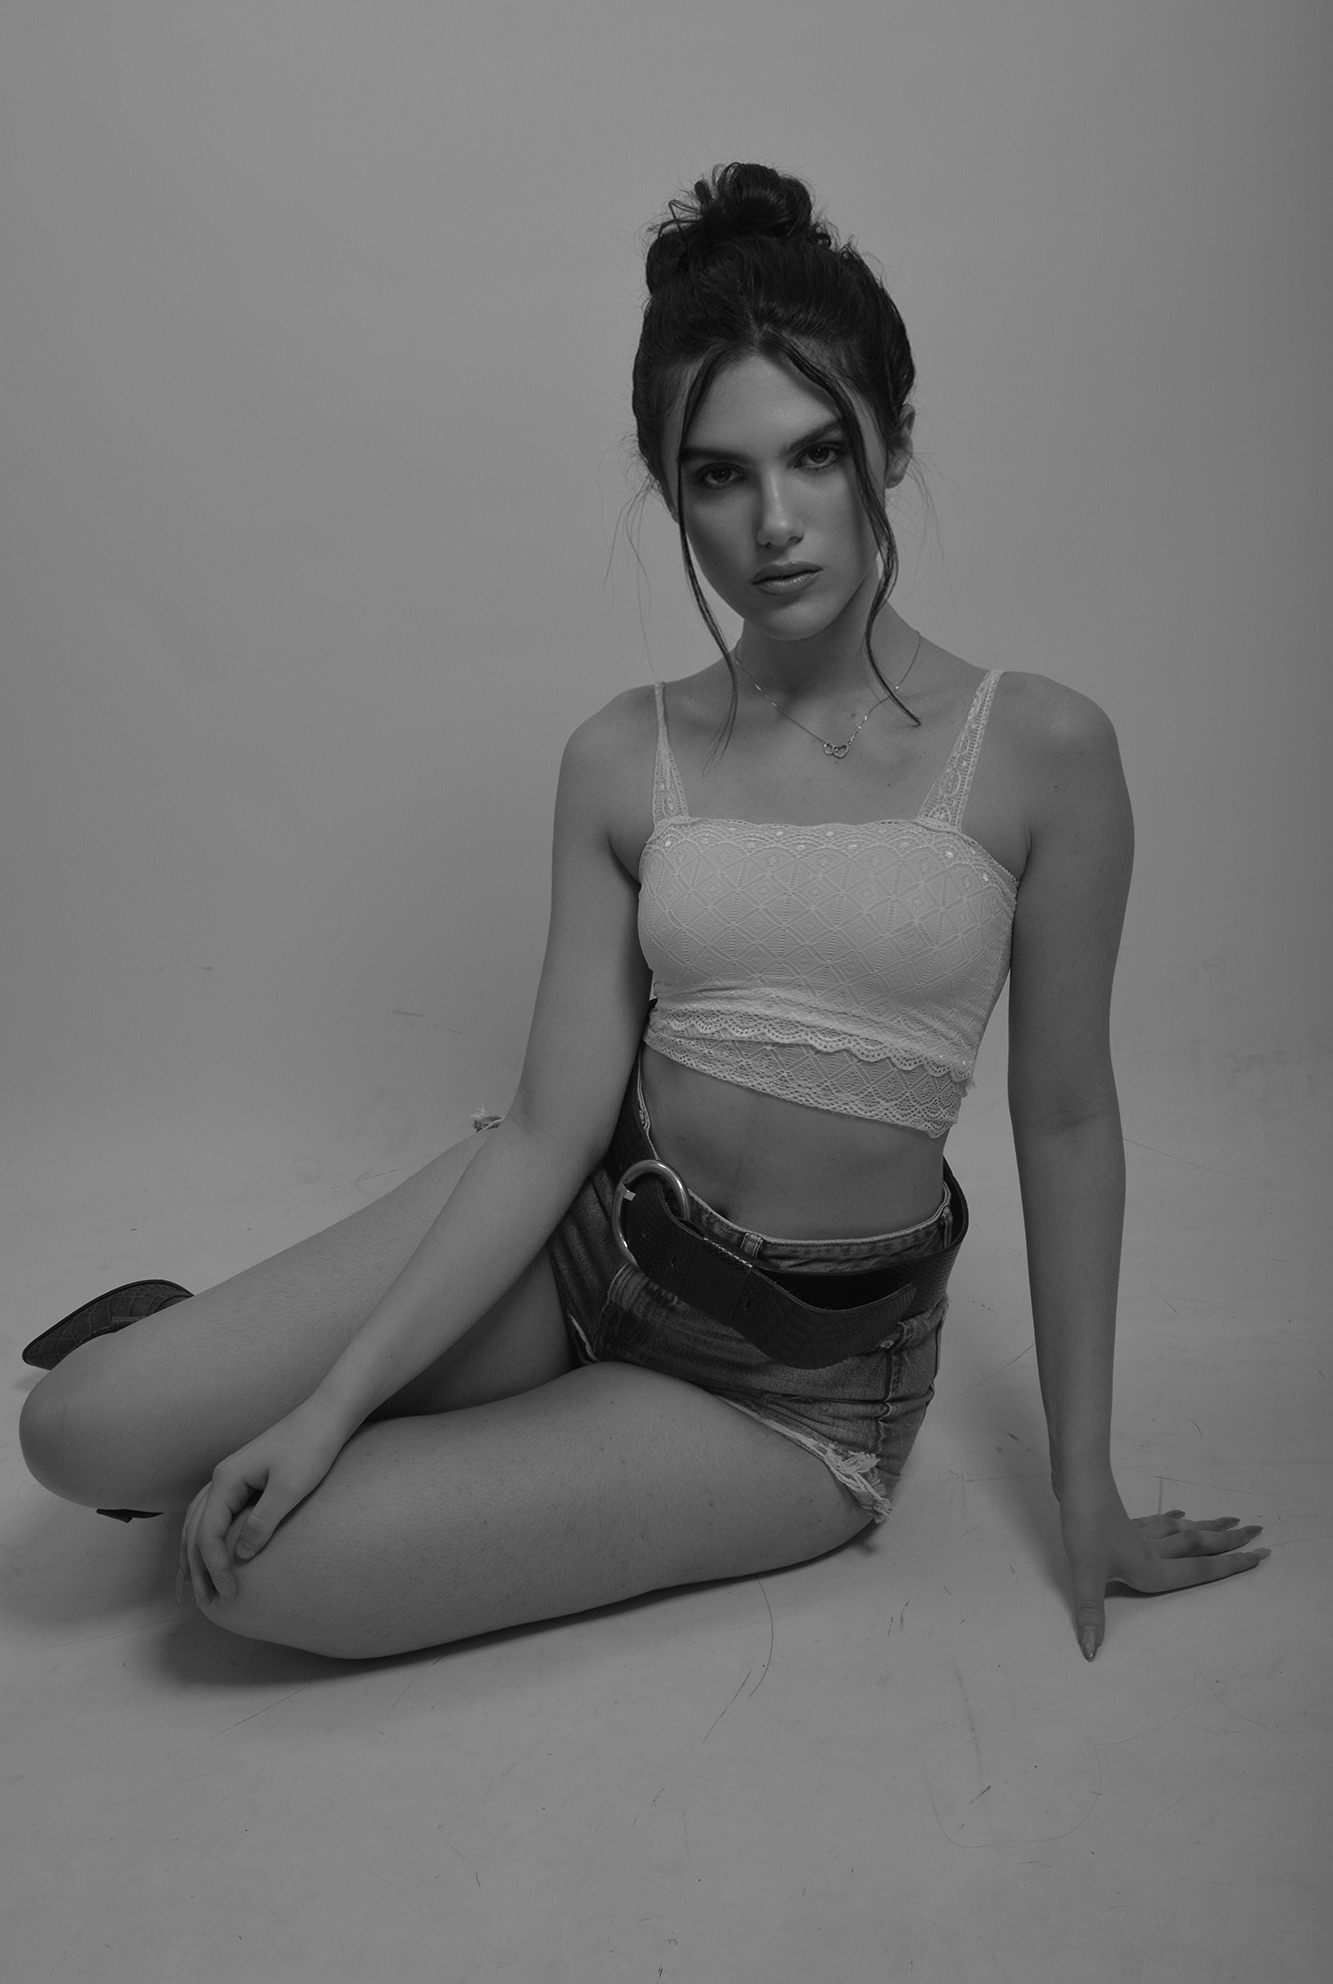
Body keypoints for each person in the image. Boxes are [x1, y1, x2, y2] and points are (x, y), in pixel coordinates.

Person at [19, 163, 1265, 1663]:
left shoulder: (1042, 749)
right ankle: (206, 1371)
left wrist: (1086, 1491)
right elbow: (547, 1129)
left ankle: (327, 1414)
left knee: (256, 1578)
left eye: (818, 454)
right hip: (573, 1238)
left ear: (893, 440)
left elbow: (1065, 1124)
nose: (775, 522)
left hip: (790, 1391)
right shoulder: (623, 753)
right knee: (73, 1433)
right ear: (669, 488)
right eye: (718, 476)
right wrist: (328, 1405)